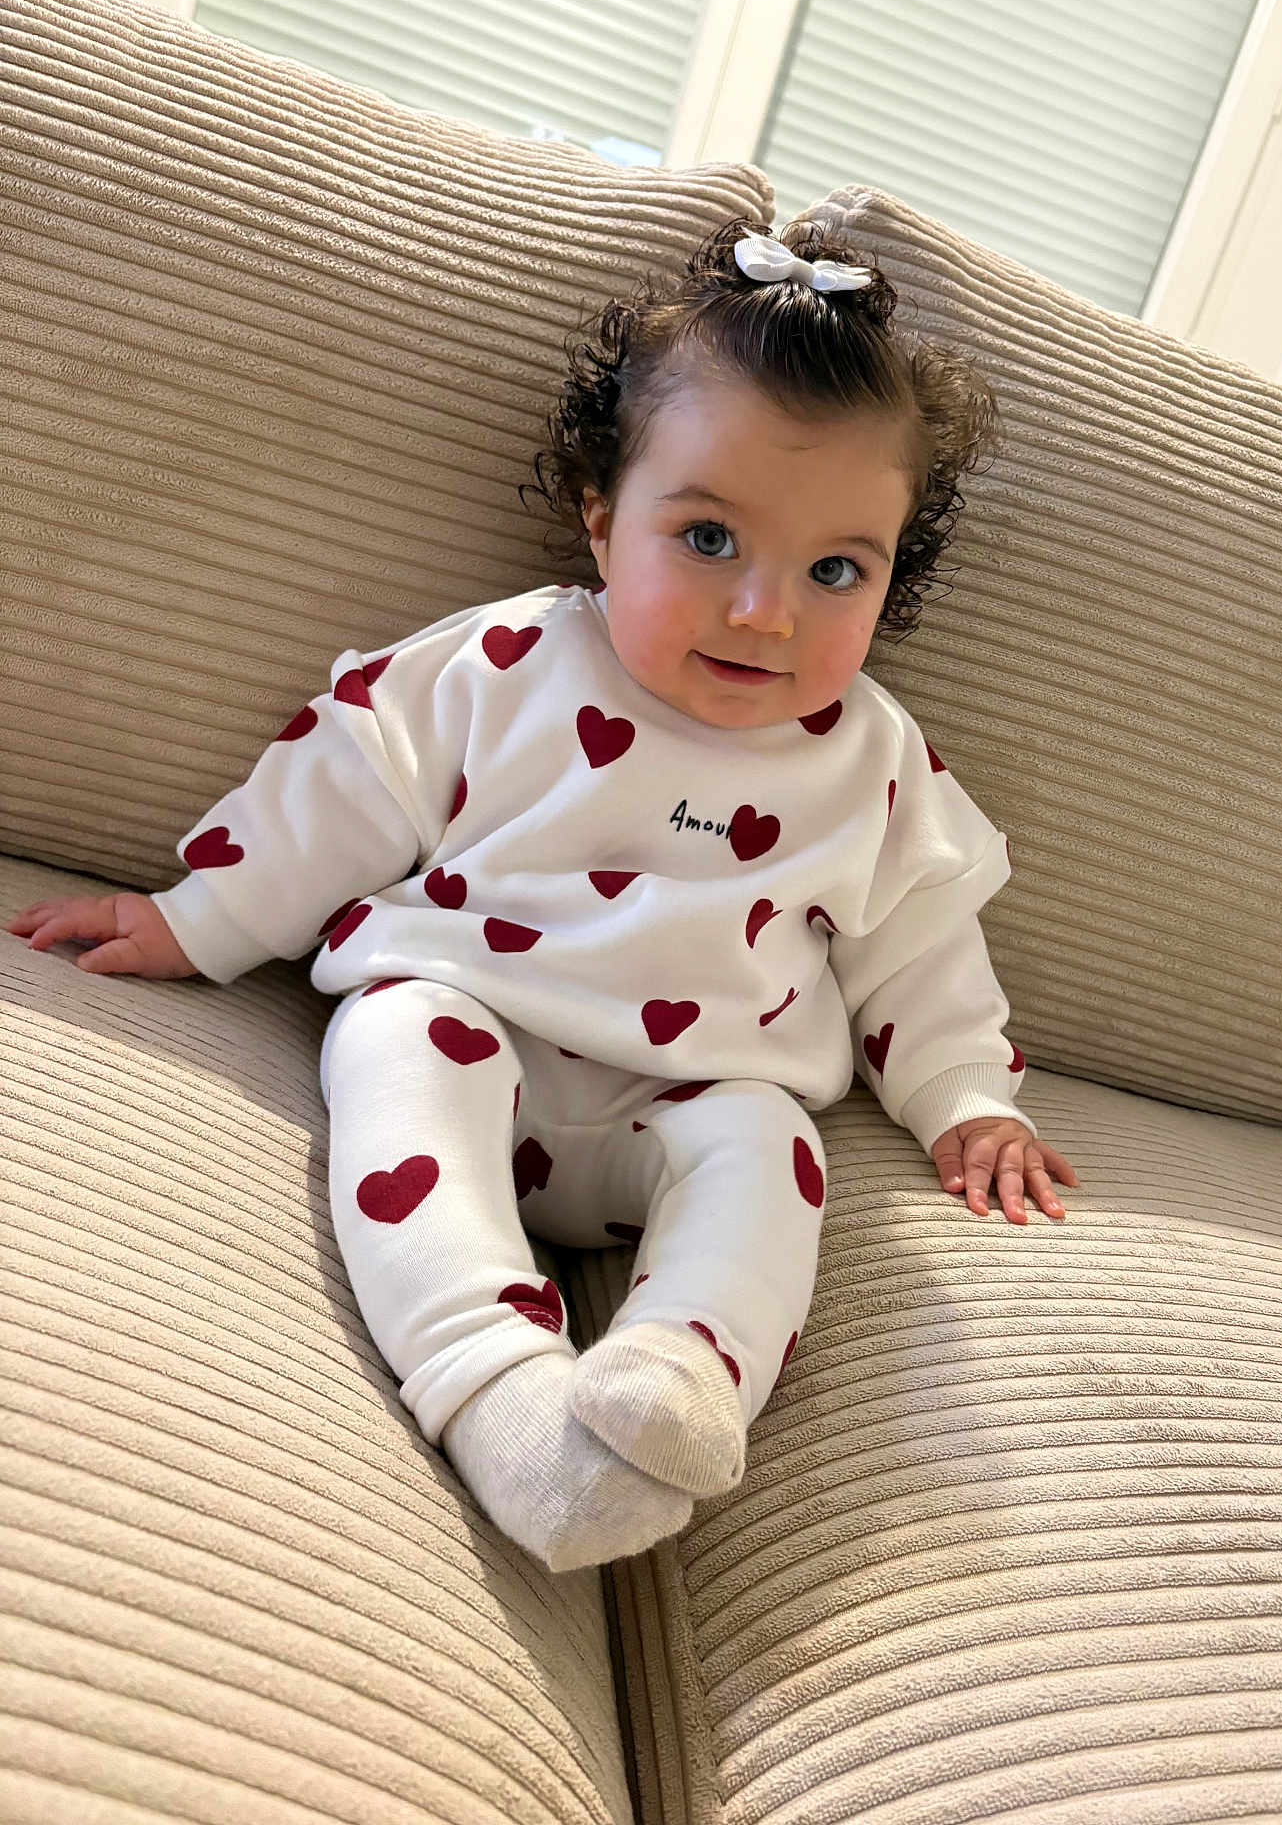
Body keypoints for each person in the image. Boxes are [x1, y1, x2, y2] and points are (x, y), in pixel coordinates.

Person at [6, 218, 1082, 1573]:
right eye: (706, 537)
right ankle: (499, 1391)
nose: (766, 613)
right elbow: (349, 786)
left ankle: (678, 1381)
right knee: (396, 1031)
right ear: (601, 516)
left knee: (772, 1152)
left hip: (693, 1097)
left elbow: (923, 957)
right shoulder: (507, 664)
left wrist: (967, 1100)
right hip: (478, 1028)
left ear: (890, 578)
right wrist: (200, 917)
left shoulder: (873, 762)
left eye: (834, 571)